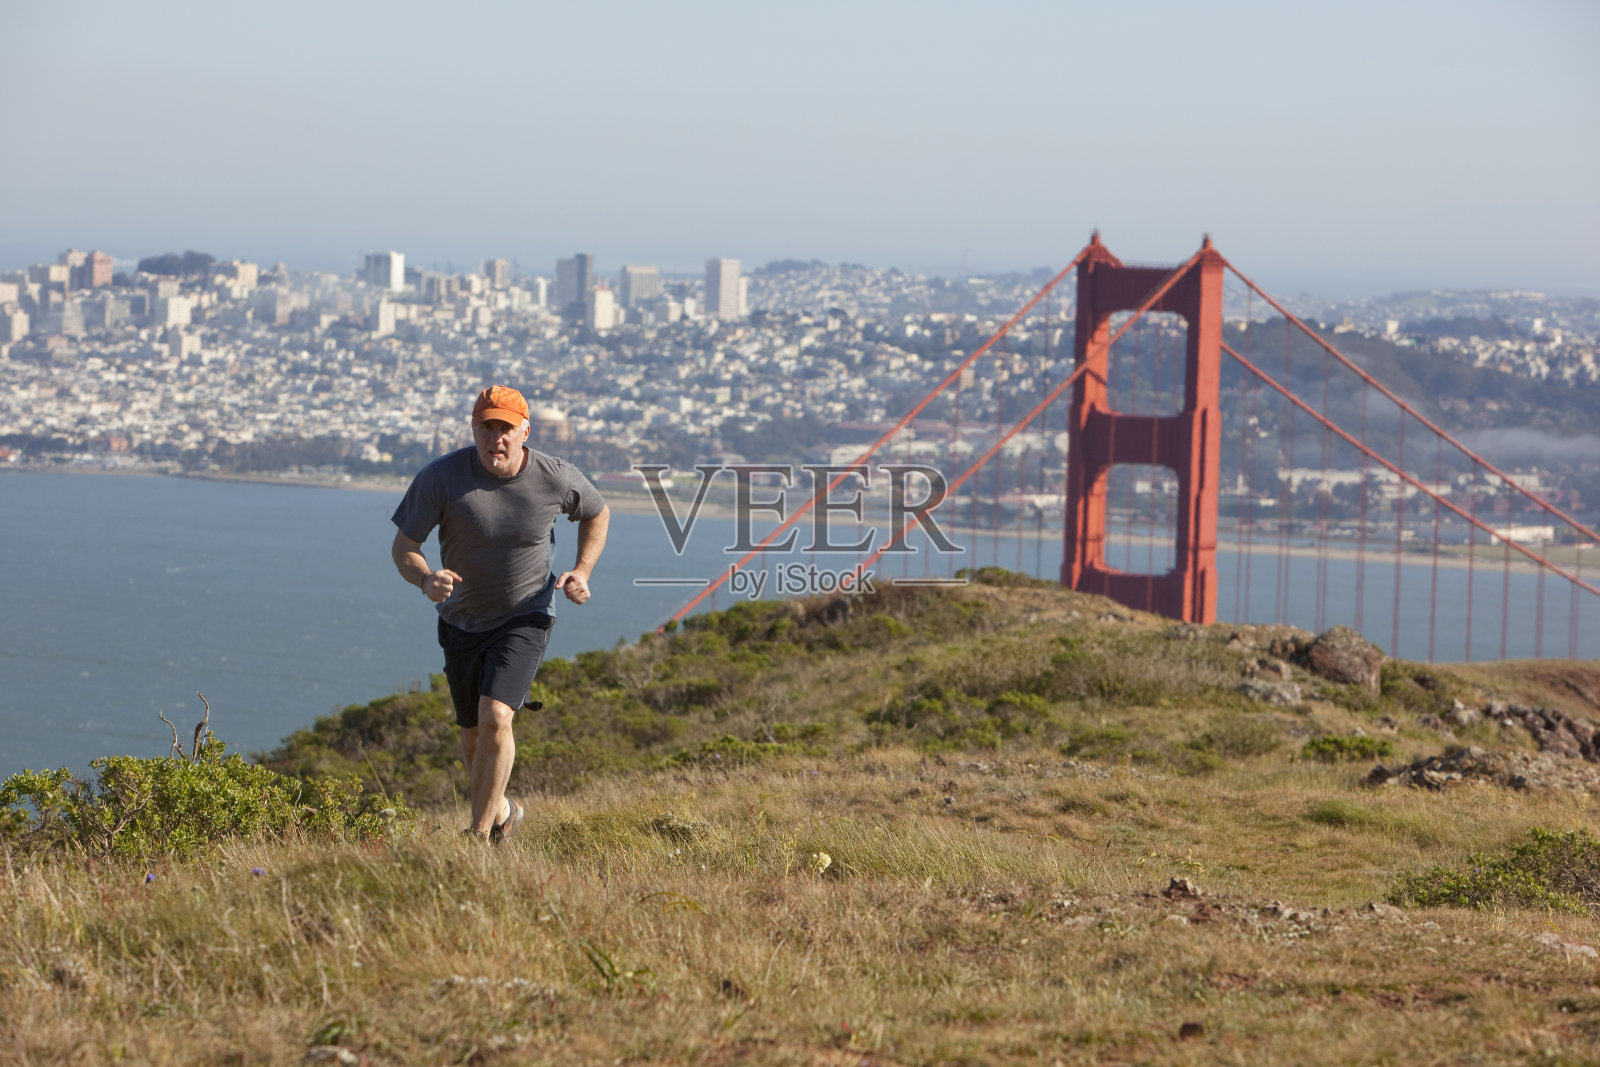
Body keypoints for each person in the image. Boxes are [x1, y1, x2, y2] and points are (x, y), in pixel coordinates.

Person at [389, 385, 609, 842]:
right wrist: (426, 578)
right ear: (474, 430)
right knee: (473, 739)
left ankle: (478, 837)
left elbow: (597, 512)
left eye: (506, 428)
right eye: (486, 428)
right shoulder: (441, 478)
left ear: (524, 431)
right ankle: (505, 811)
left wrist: (582, 570)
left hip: (525, 616)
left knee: (497, 718)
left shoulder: (555, 476)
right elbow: (404, 547)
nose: (497, 439)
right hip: (461, 621)